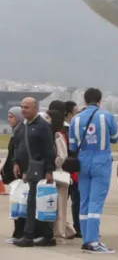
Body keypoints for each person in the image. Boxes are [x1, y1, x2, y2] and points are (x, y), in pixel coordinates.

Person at [68, 89, 118, 253]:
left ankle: (86, 239)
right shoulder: (107, 116)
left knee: (84, 200)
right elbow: (115, 138)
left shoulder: (75, 119)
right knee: (96, 202)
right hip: (101, 160)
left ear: (84, 100)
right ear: (100, 100)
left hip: (83, 161)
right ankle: (93, 241)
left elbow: (72, 146)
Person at [12, 98, 56, 248]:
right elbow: (18, 145)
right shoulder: (22, 126)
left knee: (34, 202)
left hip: (39, 170)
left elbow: (49, 149)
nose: (23, 110)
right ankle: (47, 236)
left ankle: (29, 236)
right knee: (34, 203)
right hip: (27, 170)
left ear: (35, 108)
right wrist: (16, 162)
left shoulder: (42, 126)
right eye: (22, 107)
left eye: (27, 107)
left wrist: (49, 170)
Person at [49, 110, 76, 242]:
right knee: (53, 205)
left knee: (60, 205)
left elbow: (62, 155)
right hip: (53, 175)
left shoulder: (57, 135)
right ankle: (67, 230)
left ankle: (60, 233)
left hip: (58, 174)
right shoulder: (51, 134)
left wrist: (54, 164)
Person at [3, 107, 25, 244]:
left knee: (21, 206)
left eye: (11, 117)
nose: (9, 119)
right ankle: (18, 233)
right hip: (15, 176)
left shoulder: (20, 132)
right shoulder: (15, 132)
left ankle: (19, 234)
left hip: (21, 176)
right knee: (17, 206)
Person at [63, 101, 81, 238]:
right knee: (75, 200)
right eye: (76, 112)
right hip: (70, 171)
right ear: (69, 114)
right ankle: (75, 228)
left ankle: (74, 227)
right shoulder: (67, 130)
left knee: (74, 200)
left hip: (70, 172)